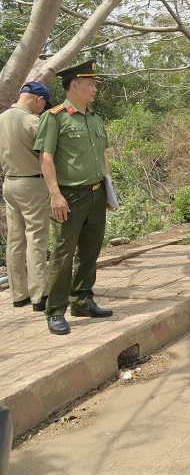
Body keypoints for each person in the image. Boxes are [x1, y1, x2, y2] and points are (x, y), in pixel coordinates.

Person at [33, 60, 115, 335]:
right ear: (74, 85)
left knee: (90, 251)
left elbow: (103, 155)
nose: (95, 89)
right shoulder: (55, 117)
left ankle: (82, 301)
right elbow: (46, 158)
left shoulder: (95, 117)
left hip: (96, 194)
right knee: (62, 254)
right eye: (90, 84)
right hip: (69, 196)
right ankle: (56, 310)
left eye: (95, 84)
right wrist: (55, 195)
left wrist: (109, 189)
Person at [0, 81, 51, 311]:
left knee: (15, 239)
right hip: (32, 184)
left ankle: (19, 294)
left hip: (9, 183)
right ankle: (40, 294)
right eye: (43, 105)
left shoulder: (1, 119)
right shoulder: (33, 122)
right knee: (36, 238)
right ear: (38, 100)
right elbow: (49, 155)